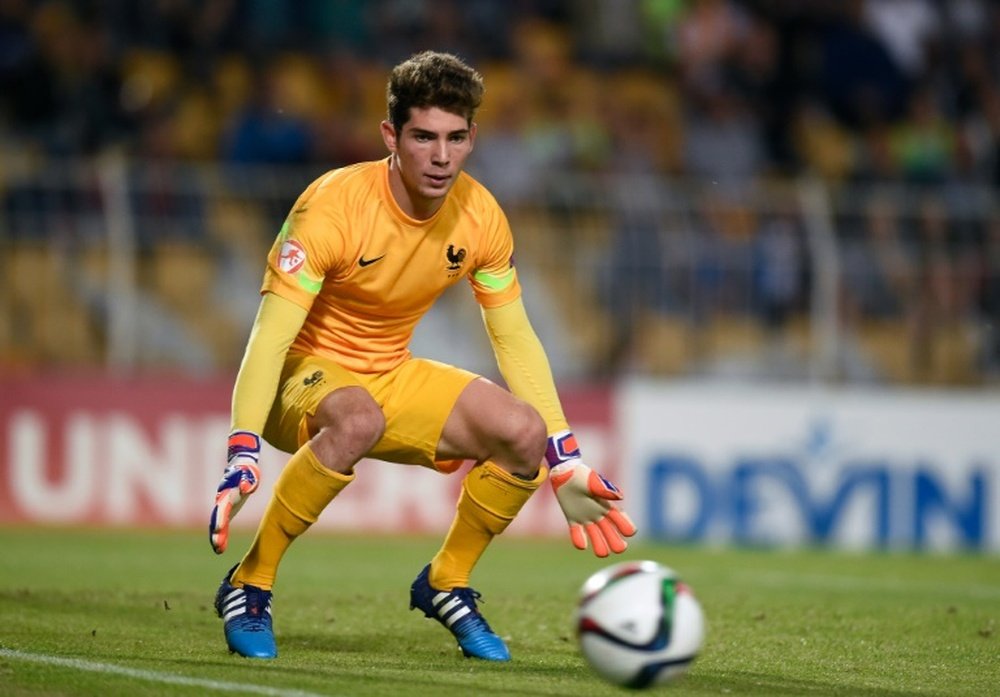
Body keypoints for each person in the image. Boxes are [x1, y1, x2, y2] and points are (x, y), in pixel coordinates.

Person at [208, 50, 636, 662]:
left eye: (456, 138)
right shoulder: (331, 206)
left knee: (524, 432)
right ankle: (250, 584)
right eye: (424, 137)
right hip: (298, 375)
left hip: (389, 373)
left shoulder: (481, 216)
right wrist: (243, 447)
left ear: (472, 137)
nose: (441, 157)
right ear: (391, 135)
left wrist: (564, 456)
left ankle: (446, 582)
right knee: (357, 417)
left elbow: (513, 335)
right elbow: (270, 336)